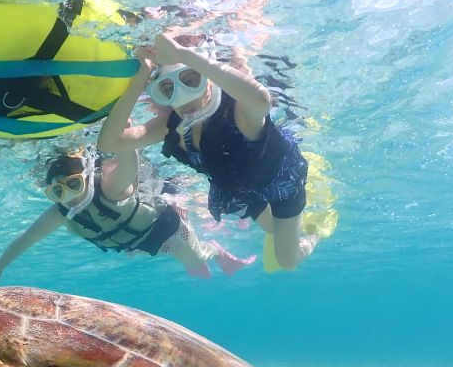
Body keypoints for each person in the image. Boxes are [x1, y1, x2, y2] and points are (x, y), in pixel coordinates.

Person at [96, 30, 318, 270]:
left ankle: (315, 235)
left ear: (207, 76)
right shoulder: (170, 125)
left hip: (282, 181)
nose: (183, 97)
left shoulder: (237, 111)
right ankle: (290, 226)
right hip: (238, 186)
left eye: (191, 81)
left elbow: (262, 100)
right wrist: (141, 77)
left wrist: (182, 54)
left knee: (287, 261)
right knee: (270, 227)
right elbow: (109, 143)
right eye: (168, 89)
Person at [0, 146, 254, 286]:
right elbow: (27, 238)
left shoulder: (110, 189)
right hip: (137, 245)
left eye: (74, 184)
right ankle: (195, 262)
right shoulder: (58, 214)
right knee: (187, 261)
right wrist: (0, 265)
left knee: (196, 257)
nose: (69, 196)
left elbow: (129, 162)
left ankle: (214, 253)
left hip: (167, 230)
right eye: (58, 192)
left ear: (87, 177)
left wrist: (126, 140)